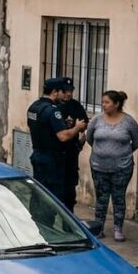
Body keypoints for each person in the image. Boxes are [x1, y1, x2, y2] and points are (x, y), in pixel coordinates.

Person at [87, 91, 138, 241]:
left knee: (118, 198)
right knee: (101, 198)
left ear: (116, 104)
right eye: (102, 102)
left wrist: (120, 154)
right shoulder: (97, 120)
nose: (103, 105)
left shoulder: (128, 122)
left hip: (121, 167)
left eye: (107, 102)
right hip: (99, 166)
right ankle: (99, 228)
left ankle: (118, 228)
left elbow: (136, 142)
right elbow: (90, 138)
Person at [27, 78, 87, 204]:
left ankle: (38, 221)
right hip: (52, 159)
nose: (66, 94)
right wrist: (77, 128)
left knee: (40, 193)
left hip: (39, 155)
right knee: (52, 198)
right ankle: (47, 221)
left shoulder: (34, 106)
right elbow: (63, 136)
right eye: (63, 91)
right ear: (55, 92)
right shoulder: (52, 110)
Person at [57, 77, 90, 212]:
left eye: (71, 91)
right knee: (54, 191)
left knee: (70, 192)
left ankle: (68, 223)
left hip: (71, 154)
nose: (68, 94)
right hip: (55, 154)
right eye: (65, 91)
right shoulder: (52, 107)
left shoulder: (75, 106)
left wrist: (80, 131)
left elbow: (84, 123)